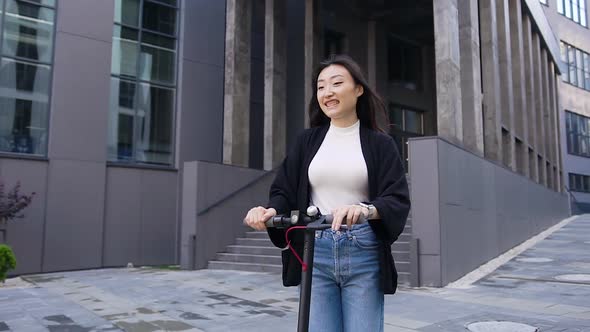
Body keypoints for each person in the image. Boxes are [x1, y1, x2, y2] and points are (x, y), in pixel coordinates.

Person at [243, 54, 410, 332]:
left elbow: (397, 198)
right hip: (314, 249)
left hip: (362, 250)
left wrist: (366, 209)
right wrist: (271, 210)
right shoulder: (307, 141)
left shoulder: (381, 144)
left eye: (336, 83)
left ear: (358, 90)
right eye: (321, 86)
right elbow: (284, 189)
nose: (327, 92)